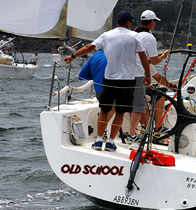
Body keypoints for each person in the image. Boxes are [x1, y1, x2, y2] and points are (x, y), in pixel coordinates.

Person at [64, 10, 151, 152]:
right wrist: (147, 75)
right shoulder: (135, 36)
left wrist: (73, 56)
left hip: (109, 78)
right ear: (128, 23)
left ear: (117, 22)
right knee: (120, 113)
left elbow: (89, 47)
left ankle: (98, 141)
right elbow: (142, 57)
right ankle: (110, 142)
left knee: (104, 110)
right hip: (127, 80)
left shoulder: (107, 35)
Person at [127, 10, 170, 144]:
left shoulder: (134, 33)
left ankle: (154, 128)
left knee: (152, 95)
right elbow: (154, 60)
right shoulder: (149, 38)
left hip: (128, 74)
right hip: (138, 75)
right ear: (152, 22)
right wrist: (163, 56)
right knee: (144, 100)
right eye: (155, 22)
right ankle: (150, 131)